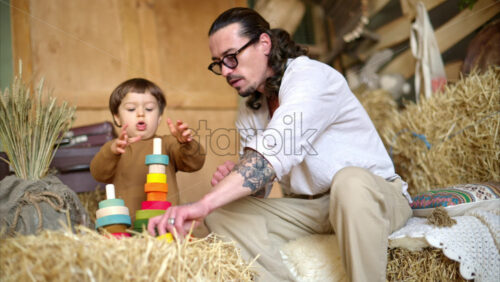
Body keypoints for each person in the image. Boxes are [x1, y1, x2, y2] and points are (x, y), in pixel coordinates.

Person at [148, 7, 412, 282]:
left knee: (349, 182)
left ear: (264, 43)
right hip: (312, 210)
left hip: (371, 198)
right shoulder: (250, 109)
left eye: (231, 58)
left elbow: (272, 152)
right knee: (222, 214)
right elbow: (262, 183)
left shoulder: (311, 78)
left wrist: (203, 203)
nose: (226, 71)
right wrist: (234, 181)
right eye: (218, 63)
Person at [90, 78, 205, 218]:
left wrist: (186, 143)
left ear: (159, 117)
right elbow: (98, 173)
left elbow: (195, 163)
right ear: (117, 118)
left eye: (149, 108)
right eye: (131, 109)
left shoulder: (168, 144)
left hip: (162, 225)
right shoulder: (115, 148)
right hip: (126, 227)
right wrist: (112, 152)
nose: (141, 113)